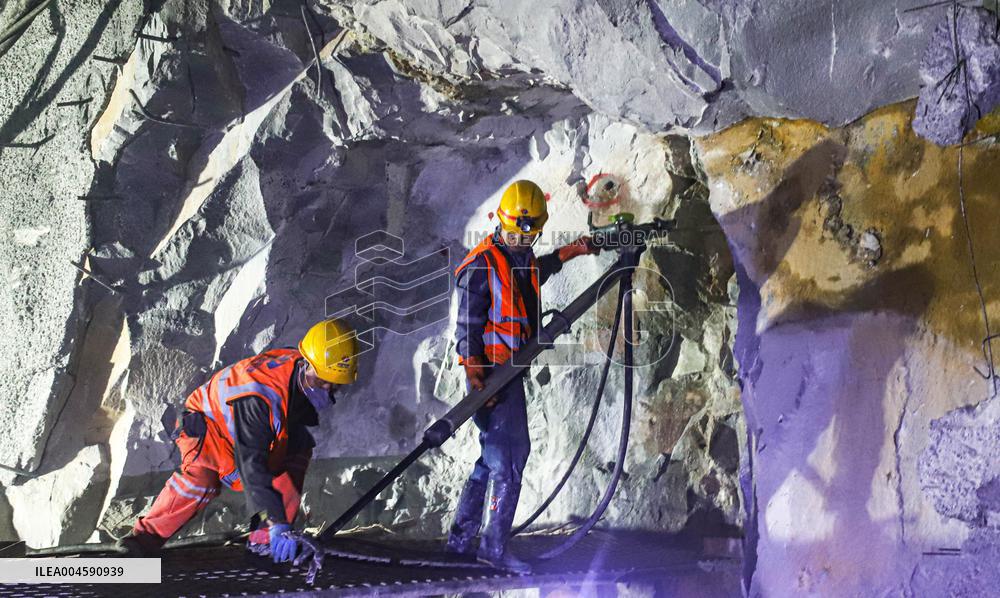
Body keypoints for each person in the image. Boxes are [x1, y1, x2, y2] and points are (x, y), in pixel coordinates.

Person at [447, 179, 599, 573]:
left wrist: (572, 251)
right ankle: (493, 550)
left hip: (508, 372)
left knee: (492, 458)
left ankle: (460, 541)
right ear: (500, 223)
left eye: (527, 236)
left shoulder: (522, 258)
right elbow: (467, 323)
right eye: (514, 234)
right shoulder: (481, 264)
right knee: (511, 458)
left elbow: (535, 273)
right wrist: (476, 373)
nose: (519, 241)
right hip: (492, 375)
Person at [117, 318, 358, 563]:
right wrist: (277, 520)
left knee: (298, 449)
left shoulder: (298, 367)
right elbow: (251, 466)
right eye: (321, 381)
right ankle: (142, 542)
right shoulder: (259, 398)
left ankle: (264, 541)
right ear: (307, 363)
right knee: (201, 480)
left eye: (334, 385)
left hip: (243, 425)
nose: (326, 389)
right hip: (209, 425)